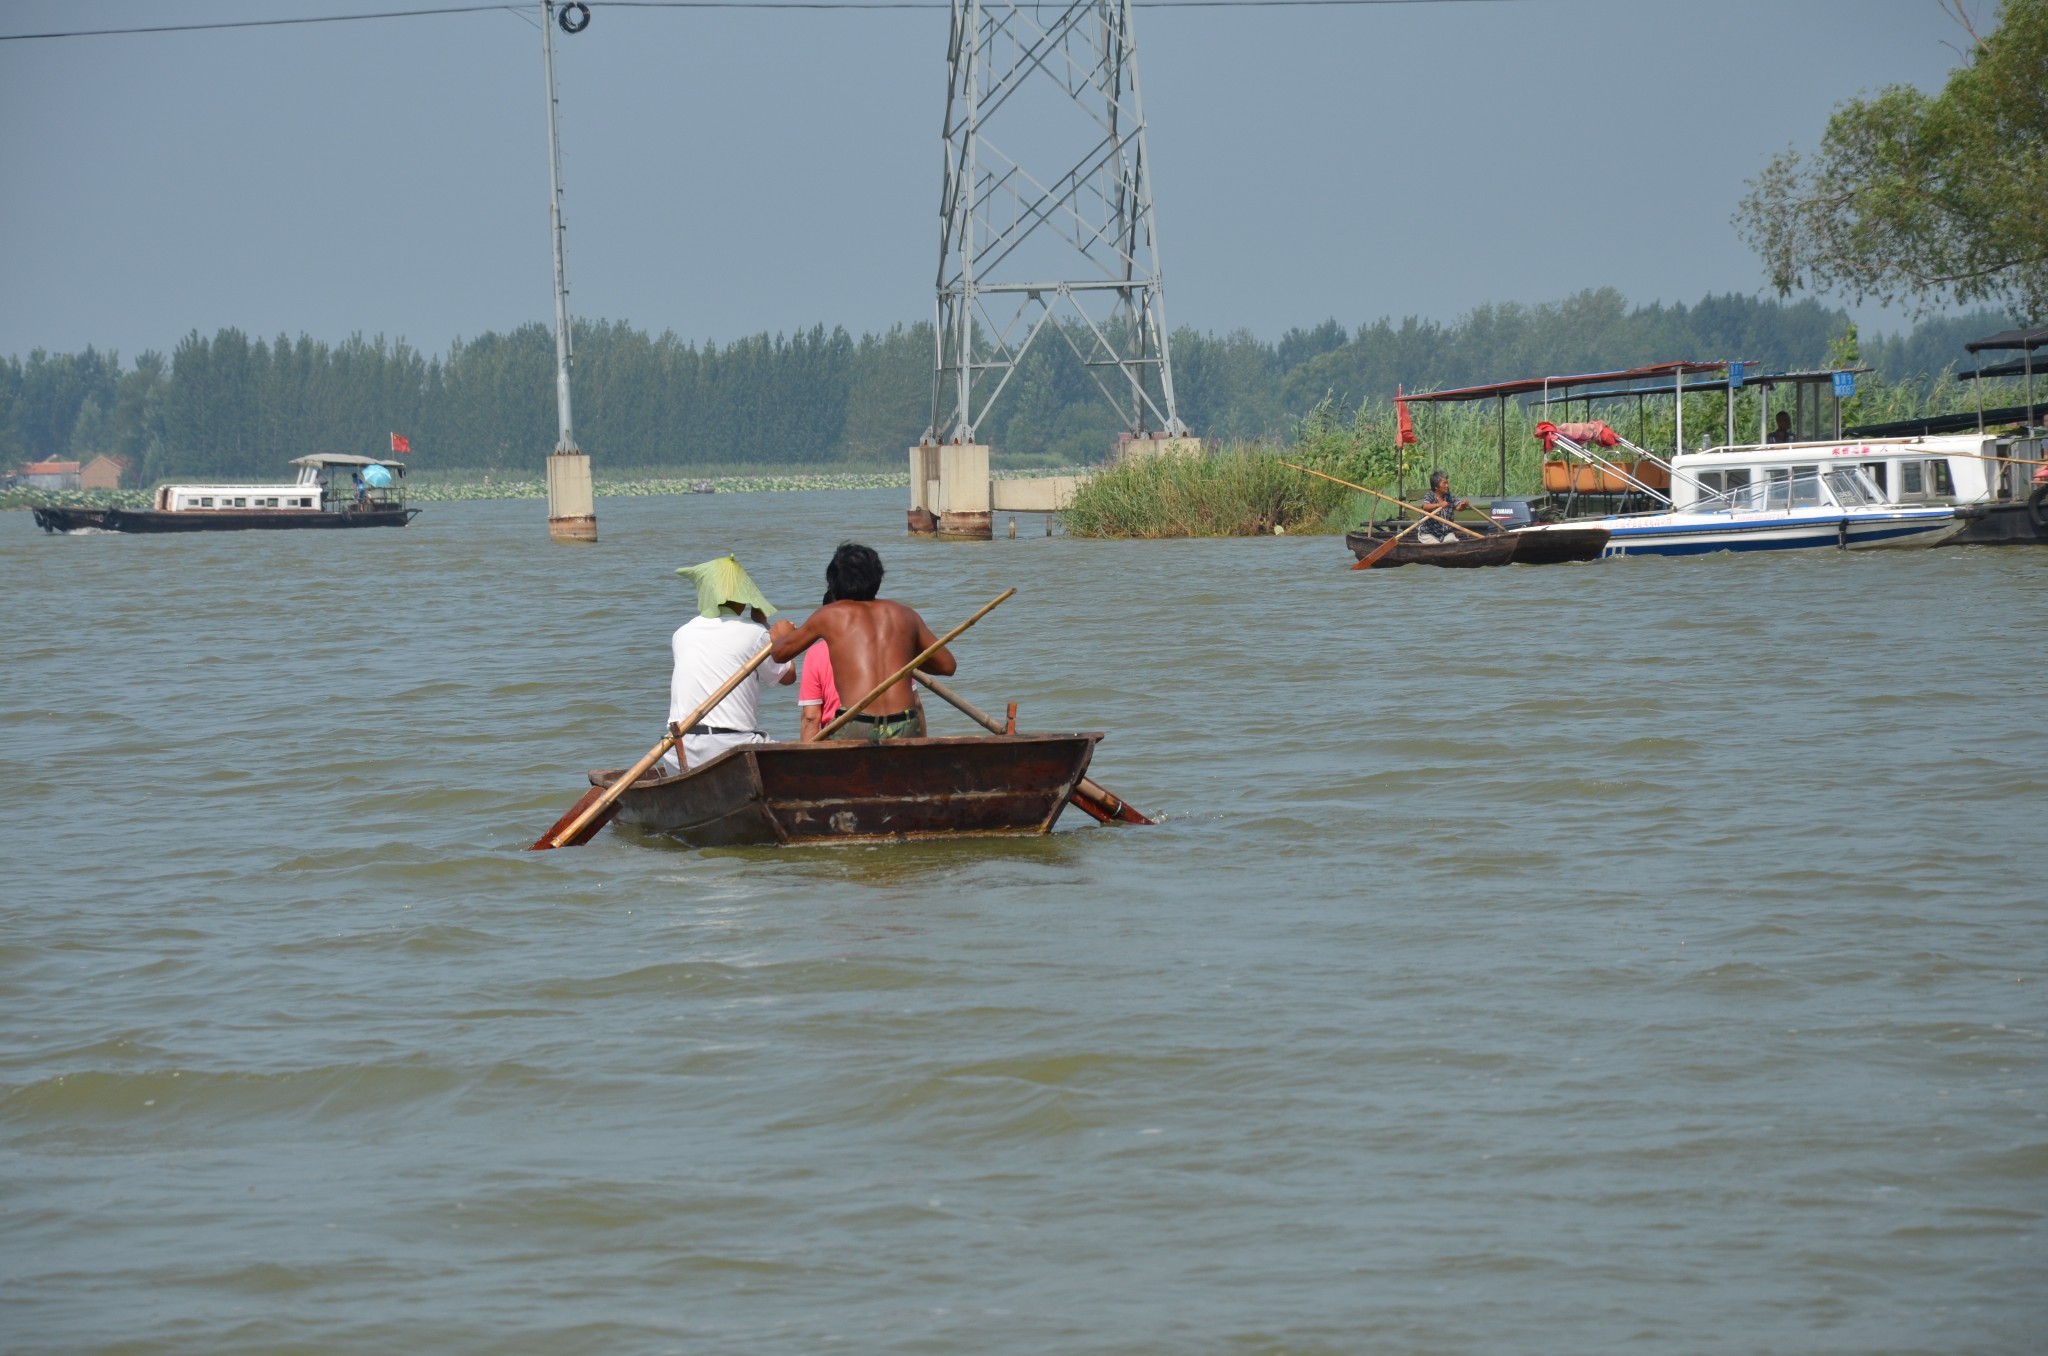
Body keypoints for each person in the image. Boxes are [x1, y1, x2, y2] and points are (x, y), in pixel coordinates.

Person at [769, 542, 954, 743]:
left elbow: (780, 654)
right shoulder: (905, 614)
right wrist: (904, 654)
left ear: (834, 583)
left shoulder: (830, 615)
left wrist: (782, 634)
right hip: (905, 722)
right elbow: (947, 665)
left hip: (857, 722)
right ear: (878, 578)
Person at [661, 555, 795, 774]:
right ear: (743, 599)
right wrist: (777, 635)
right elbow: (788, 677)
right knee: (795, 756)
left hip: (677, 749)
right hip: (732, 749)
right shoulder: (755, 633)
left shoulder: (681, 634)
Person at [796, 588, 842, 742]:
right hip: (892, 731)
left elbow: (811, 718)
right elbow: (914, 703)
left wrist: (805, 762)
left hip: (841, 735)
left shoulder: (816, 653)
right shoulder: (887, 644)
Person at [1417, 469, 1467, 543]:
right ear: (1436, 487)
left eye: (1447, 483)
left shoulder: (1449, 496)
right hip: (1428, 533)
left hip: (1445, 533)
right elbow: (1425, 507)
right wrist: (1439, 505)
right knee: (1437, 547)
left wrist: (1464, 505)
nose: (1447, 486)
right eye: (1444, 483)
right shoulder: (1430, 495)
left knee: (1453, 543)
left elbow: (1458, 507)